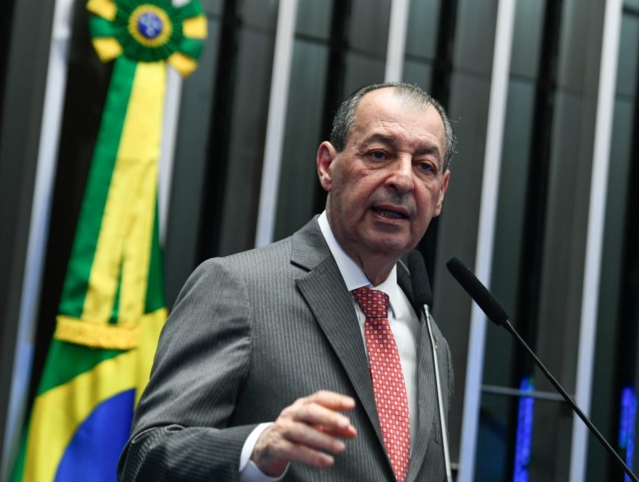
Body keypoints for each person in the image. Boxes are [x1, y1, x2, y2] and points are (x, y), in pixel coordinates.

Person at [118, 82, 456, 481]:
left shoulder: (432, 342)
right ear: (328, 166)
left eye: (425, 166)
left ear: (439, 195)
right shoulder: (237, 288)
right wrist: (258, 447)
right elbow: (147, 456)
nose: (403, 179)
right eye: (379, 155)